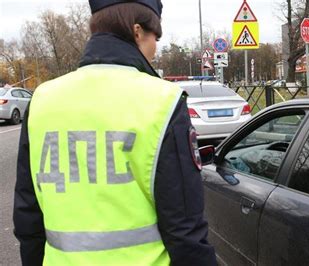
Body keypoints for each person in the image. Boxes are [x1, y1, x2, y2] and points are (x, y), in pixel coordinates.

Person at [13, 1, 217, 265]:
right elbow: (185, 230)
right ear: (137, 31)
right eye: (155, 37)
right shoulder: (161, 101)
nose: (155, 49)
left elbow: (28, 216)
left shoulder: (42, 99)